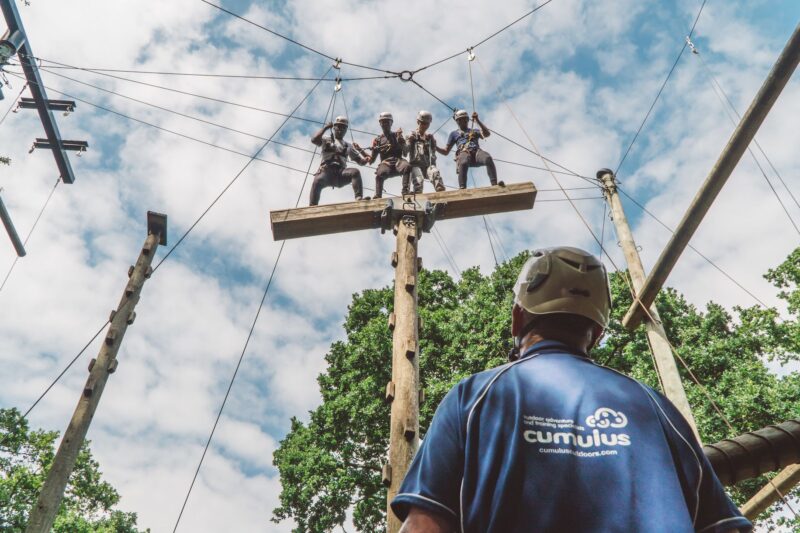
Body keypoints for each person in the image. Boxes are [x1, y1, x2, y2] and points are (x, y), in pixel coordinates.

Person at [391, 246, 752, 533]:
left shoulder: (474, 397)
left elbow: (424, 526)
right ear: (597, 332)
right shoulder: (653, 404)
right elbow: (720, 527)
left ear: (518, 318)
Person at [309, 116, 369, 206]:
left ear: (346, 130)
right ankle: (312, 206)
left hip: (340, 174)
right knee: (317, 181)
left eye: (343, 127)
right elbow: (314, 140)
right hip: (326, 172)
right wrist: (326, 127)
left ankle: (359, 198)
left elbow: (360, 162)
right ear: (334, 127)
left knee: (355, 172)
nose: (341, 129)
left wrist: (365, 160)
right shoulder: (326, 139)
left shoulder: (348, 146)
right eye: (339, 126)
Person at [440, 109, 501, 189]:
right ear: (458, 121)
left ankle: (494, 185)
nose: (464, 121)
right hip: (464, 152)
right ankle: (462, 188)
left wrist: (477, 120)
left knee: (488, 158)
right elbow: (446, 151)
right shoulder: (454, 134)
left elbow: (487, 134)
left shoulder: (474, 131)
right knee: (463, 161)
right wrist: (434, 147)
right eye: (461, 120)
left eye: (465, 119)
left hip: (476, 153)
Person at [368, 111, 412, 198]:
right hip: (386, 163)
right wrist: (360, 150)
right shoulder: (378, 140)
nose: (385, 124)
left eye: (387, 122)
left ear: (391, 123)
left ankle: (405, 191)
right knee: (379, 174)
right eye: (383, 122)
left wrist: (401, 140)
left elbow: (405, 153)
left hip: (398, 161)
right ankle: (377, 196)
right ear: (380, 124)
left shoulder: (397, 135)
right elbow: (371, 160)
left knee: (407, 166)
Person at [406, 110, 447, 193]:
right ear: (418, 122)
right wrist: (410, 141)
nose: (425, 126)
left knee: (435, 172)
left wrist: (433, 143)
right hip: (415, 165)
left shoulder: (429, 138)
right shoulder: (411, 135)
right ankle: (417, 195)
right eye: (423, 123)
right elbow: (405, 151)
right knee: (419, 180)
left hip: (428, 166)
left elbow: (433, 154)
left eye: (427, 124)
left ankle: (441, 193)